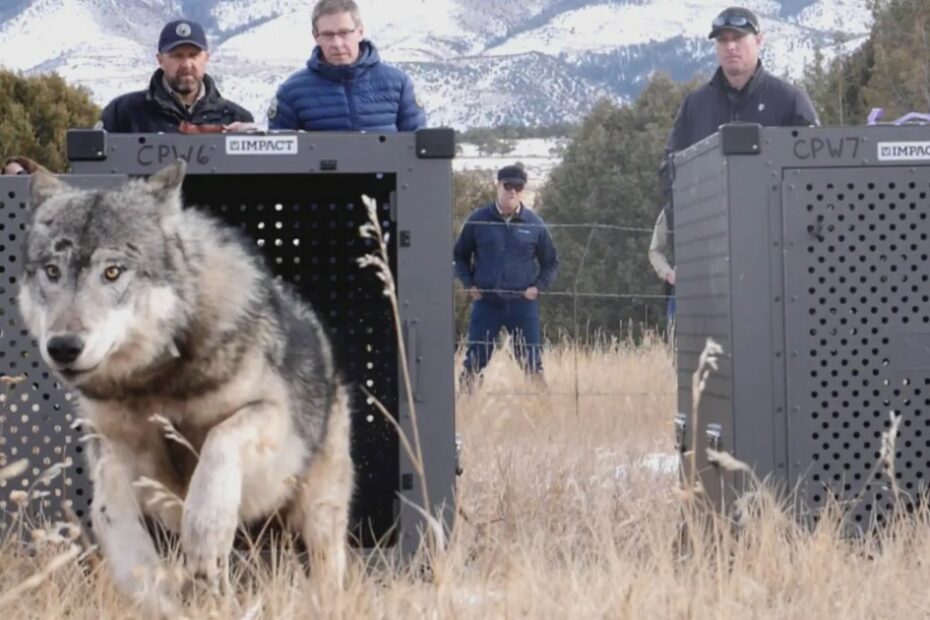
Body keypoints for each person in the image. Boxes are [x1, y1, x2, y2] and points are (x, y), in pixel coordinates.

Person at [652, 6, 819, 324]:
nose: (730, 46)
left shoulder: (789, 101)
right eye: (723, 40)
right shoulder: (695, 106)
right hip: (708, 257)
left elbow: (814, 175)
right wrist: (688, 227)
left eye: (738, 38)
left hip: (777, 260)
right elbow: (670, 170)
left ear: (759, 40)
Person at [453, 165, 559, 388]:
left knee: (531, 362)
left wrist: (537, 288)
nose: (512, 191)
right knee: (474, 360)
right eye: (507, 185)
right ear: (497, 186)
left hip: (522, 304)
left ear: (523, 190)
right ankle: (466, 405)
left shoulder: (535, 224)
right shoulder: (478, 220)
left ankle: (543, 409)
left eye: (518, 187)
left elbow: (551, 263)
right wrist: (469, 284)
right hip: (487, 303)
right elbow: (459, 256)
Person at [268, 0, 426, 132]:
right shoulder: (292, 91)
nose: (337, 43)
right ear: (316, 37)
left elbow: (418, 147)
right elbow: (279, 156)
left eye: (344, 33)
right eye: (328, 35)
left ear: (360, 32)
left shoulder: (398, 85)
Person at [99, 19, 253, 133]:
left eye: (193, 55)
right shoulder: (123, 113)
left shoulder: (236, 118)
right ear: (160, 60)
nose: (186, 64)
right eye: (177, 56)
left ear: (206, 58)